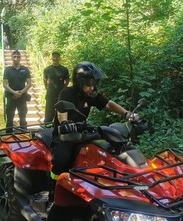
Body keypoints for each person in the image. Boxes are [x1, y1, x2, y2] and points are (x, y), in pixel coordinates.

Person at [49, 61, 137, 202]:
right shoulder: (67, 92)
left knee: (107, 150)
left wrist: (127, 114)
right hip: (64, 134)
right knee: (61, 160)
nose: (92, 88)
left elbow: (108, 103)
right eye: (88, 85)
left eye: (93, 84)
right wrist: (65, 123)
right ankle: (53, 191)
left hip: (82, 132)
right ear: (79, 83)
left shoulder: (91, 95)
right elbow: (61, 111)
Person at [3, 50, 31, 132]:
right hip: (11, 97)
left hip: (22, 97)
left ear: (20, 58)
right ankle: (7, 136)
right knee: (10, 117)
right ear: (11, 58)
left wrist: (20, 93)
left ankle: (25, 135)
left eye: (18, 57)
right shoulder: (7, 70)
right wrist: (14, 92)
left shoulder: (25, 69)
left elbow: (29, 84)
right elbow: (5, 84)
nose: (16, 58)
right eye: (14, 56)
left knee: (23, 117)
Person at [43, 52, 70, 123]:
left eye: (57, 57)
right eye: (54, 57)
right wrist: (47, 88)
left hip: (60, 94)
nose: (55, 58)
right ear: (51, 58)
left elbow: (67, 80)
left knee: (60, 112)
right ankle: (47, 128)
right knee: (49, 113)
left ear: (59, 58)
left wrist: (64, 89)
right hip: (50, 94)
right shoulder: (47, 69)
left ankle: (59, 127)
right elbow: (45, 80)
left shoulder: (64, 69)